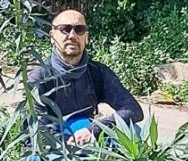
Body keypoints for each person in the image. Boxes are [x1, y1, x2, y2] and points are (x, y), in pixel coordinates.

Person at [28, 8, 144, 145]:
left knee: (134, 132)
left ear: (86, 37)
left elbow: (132, 109)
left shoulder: (97, 72)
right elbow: (36, 130)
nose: (72, 35)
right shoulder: (39, 77)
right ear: (52, 36)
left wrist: (94, 129)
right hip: (54, 142)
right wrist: (70, 142)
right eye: (65, 29)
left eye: (79, 29)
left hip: (87, 133)